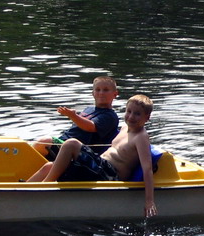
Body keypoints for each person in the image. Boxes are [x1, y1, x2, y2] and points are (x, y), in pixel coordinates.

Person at [28, 95, 157, 218]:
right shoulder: (124, 128)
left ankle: (44, 188)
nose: (131, 116)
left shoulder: (141, 137)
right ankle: (23, 191)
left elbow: (147, 169)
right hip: (100, 167)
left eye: (137, 114)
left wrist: (149, 201)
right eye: (129, 111)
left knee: (71, 144)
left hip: (110, 175)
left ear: (147, 117)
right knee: (49, 167)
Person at [32, 76, 119, 158]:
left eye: (106, 90)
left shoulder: (110, 116)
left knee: (44, 142)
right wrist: (74, 116)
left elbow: (90, 127)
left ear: (115, 94)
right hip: (65, 142)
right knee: (29, 145)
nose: (101, 93)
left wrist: (73, 116)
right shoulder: (89, 109)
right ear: (93, 93)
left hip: (79, 151)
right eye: (98, 90)